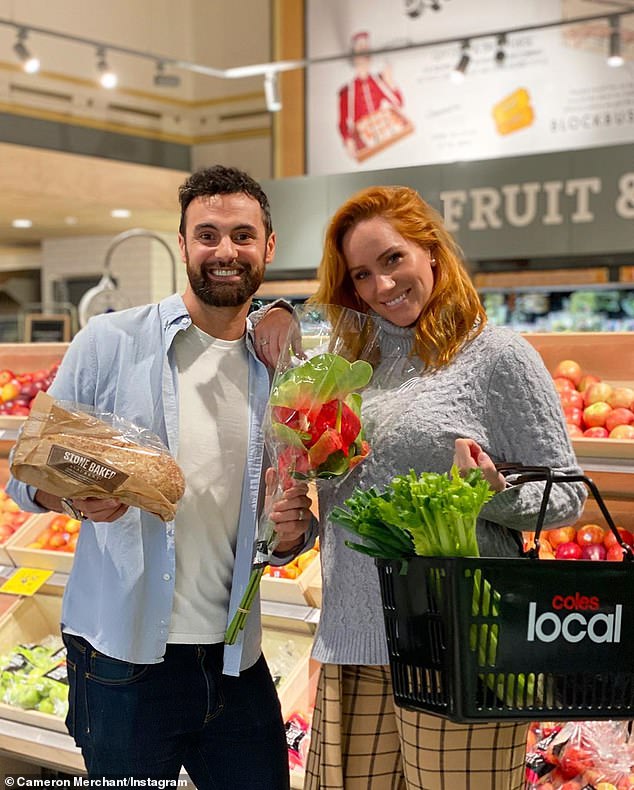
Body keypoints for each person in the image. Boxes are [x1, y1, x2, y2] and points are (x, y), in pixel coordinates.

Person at [253, 185, 587, 790]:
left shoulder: (496, 357)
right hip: (354, 635)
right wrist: (298, 524)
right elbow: (354, 503)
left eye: (392, 260)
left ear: (430, 252)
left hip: (460, 642)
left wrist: (488, 492)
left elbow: (567, 495)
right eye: (361, 274)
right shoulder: (353, 367)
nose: (382, 286)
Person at [6, 165, 314, 789]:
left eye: (242, 235)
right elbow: (26, 474)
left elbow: (292, 517)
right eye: (207, 234)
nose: (225, 251)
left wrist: (293, 536)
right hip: (122, 660)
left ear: (268, 247)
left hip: (237, 659)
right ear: (183, 244)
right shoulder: (110, 341)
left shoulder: (285, 366)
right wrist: (75, 499)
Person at [338, 31, 413, 162]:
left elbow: (398, 103)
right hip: (364, 137)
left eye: (367, 52)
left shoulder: (379, 80)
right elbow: (343, 122)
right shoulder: (346, 92)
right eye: (360, 52)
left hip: (383, 132)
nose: (364, 56)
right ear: (353, 57)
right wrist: (348, 140)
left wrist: (390, 82)